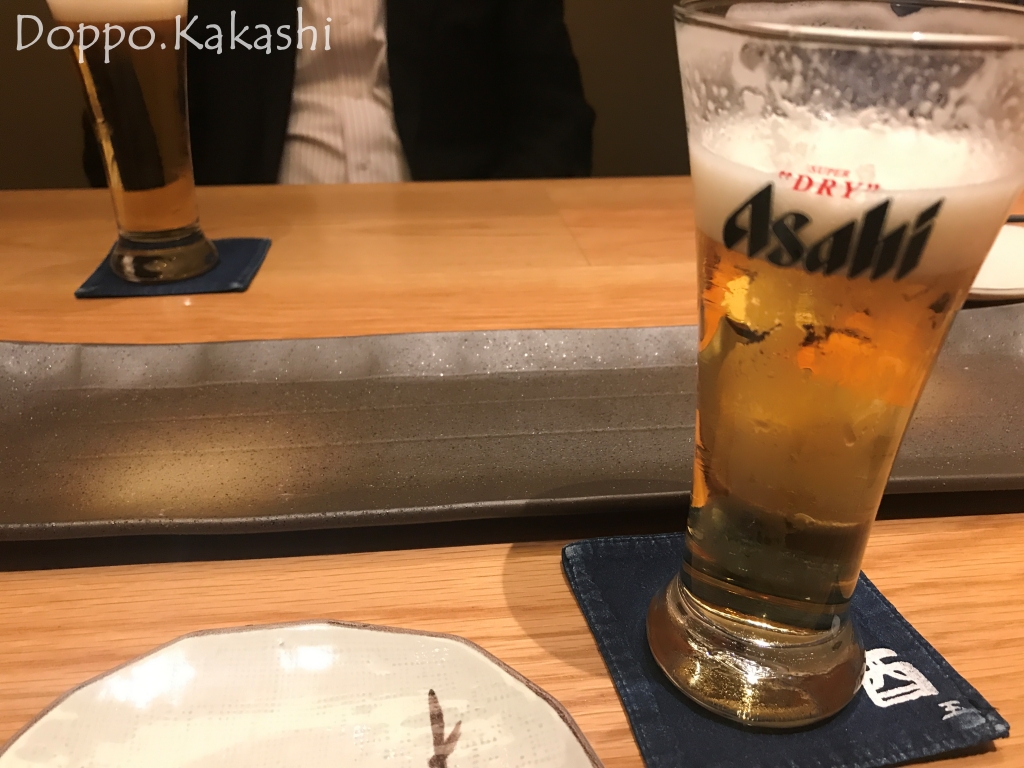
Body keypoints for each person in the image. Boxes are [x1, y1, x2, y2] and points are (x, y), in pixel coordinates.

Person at [85, 0, 595, 186]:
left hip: (460, 245)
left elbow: (556, 120)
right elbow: (129, 140)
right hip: (245, 259)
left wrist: (496, 233)